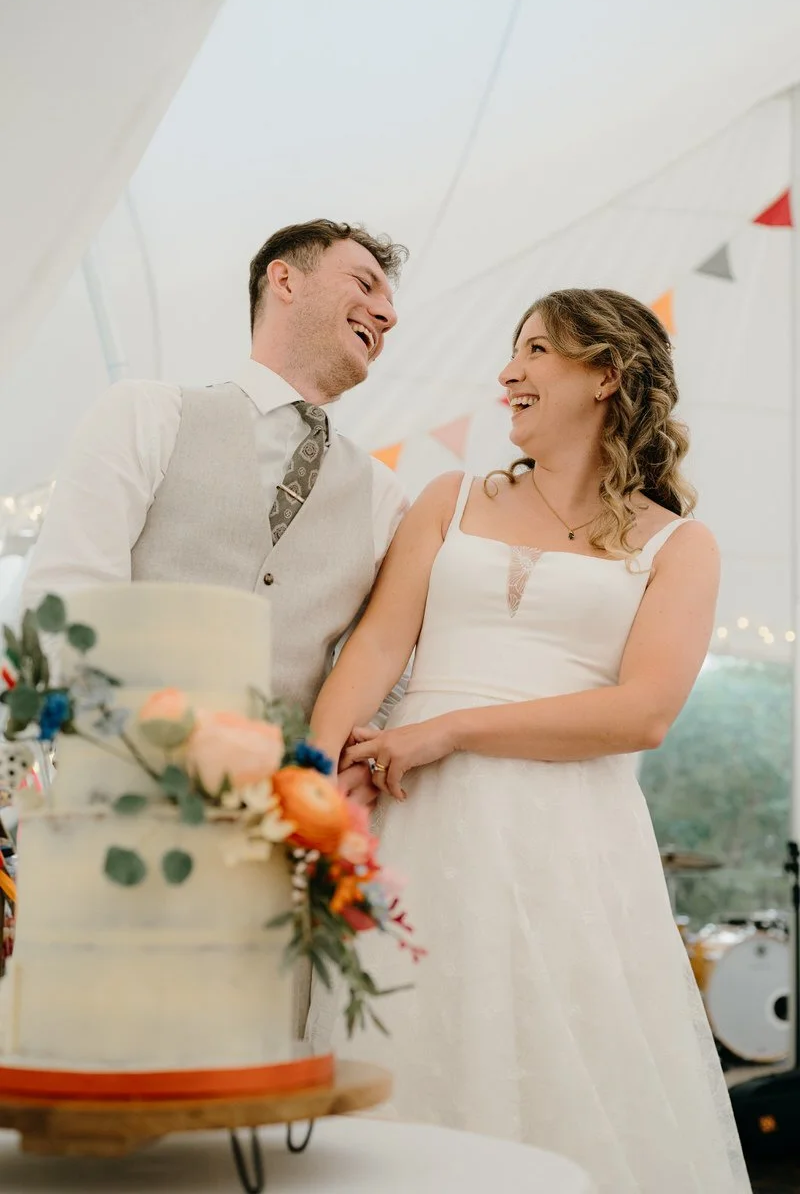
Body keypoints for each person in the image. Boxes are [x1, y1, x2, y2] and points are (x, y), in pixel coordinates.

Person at [305, 289, 751, 1193]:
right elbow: (378, 645)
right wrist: (314, 786)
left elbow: (643, 715)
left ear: (606, 376)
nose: (508, 372)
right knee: (401, 1049)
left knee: (565, 1067)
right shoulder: (449, 497)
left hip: (569, 844)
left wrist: (451, 729)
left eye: (538, 350)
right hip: (412, 825)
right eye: (513, 351)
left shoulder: (679, 547)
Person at [22, 218, 409, 1031]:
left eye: (390, 296)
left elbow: (386, 669)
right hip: (114, 815)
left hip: (273, 860)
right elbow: (61, 607)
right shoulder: (146, 415)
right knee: (103, 1059)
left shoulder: (384, 501)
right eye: (365, 281)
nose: (387, 310)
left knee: (246, 1085)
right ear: (284, 279)